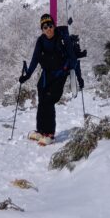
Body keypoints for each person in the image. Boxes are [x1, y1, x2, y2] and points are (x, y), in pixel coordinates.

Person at [19, 13, 84, 141]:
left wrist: (79, 77)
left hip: (60, 75)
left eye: (50, 25)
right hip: (46, 75)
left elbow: (73, 59)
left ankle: (49, 133)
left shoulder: (62, 38)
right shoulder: (41, 40)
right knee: (42, 101)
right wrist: (27, 76)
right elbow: (35, 59)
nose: (48, 29)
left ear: (54, 26)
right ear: (42, 29)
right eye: (45, 27)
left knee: (49, 101)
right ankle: (40, 131)